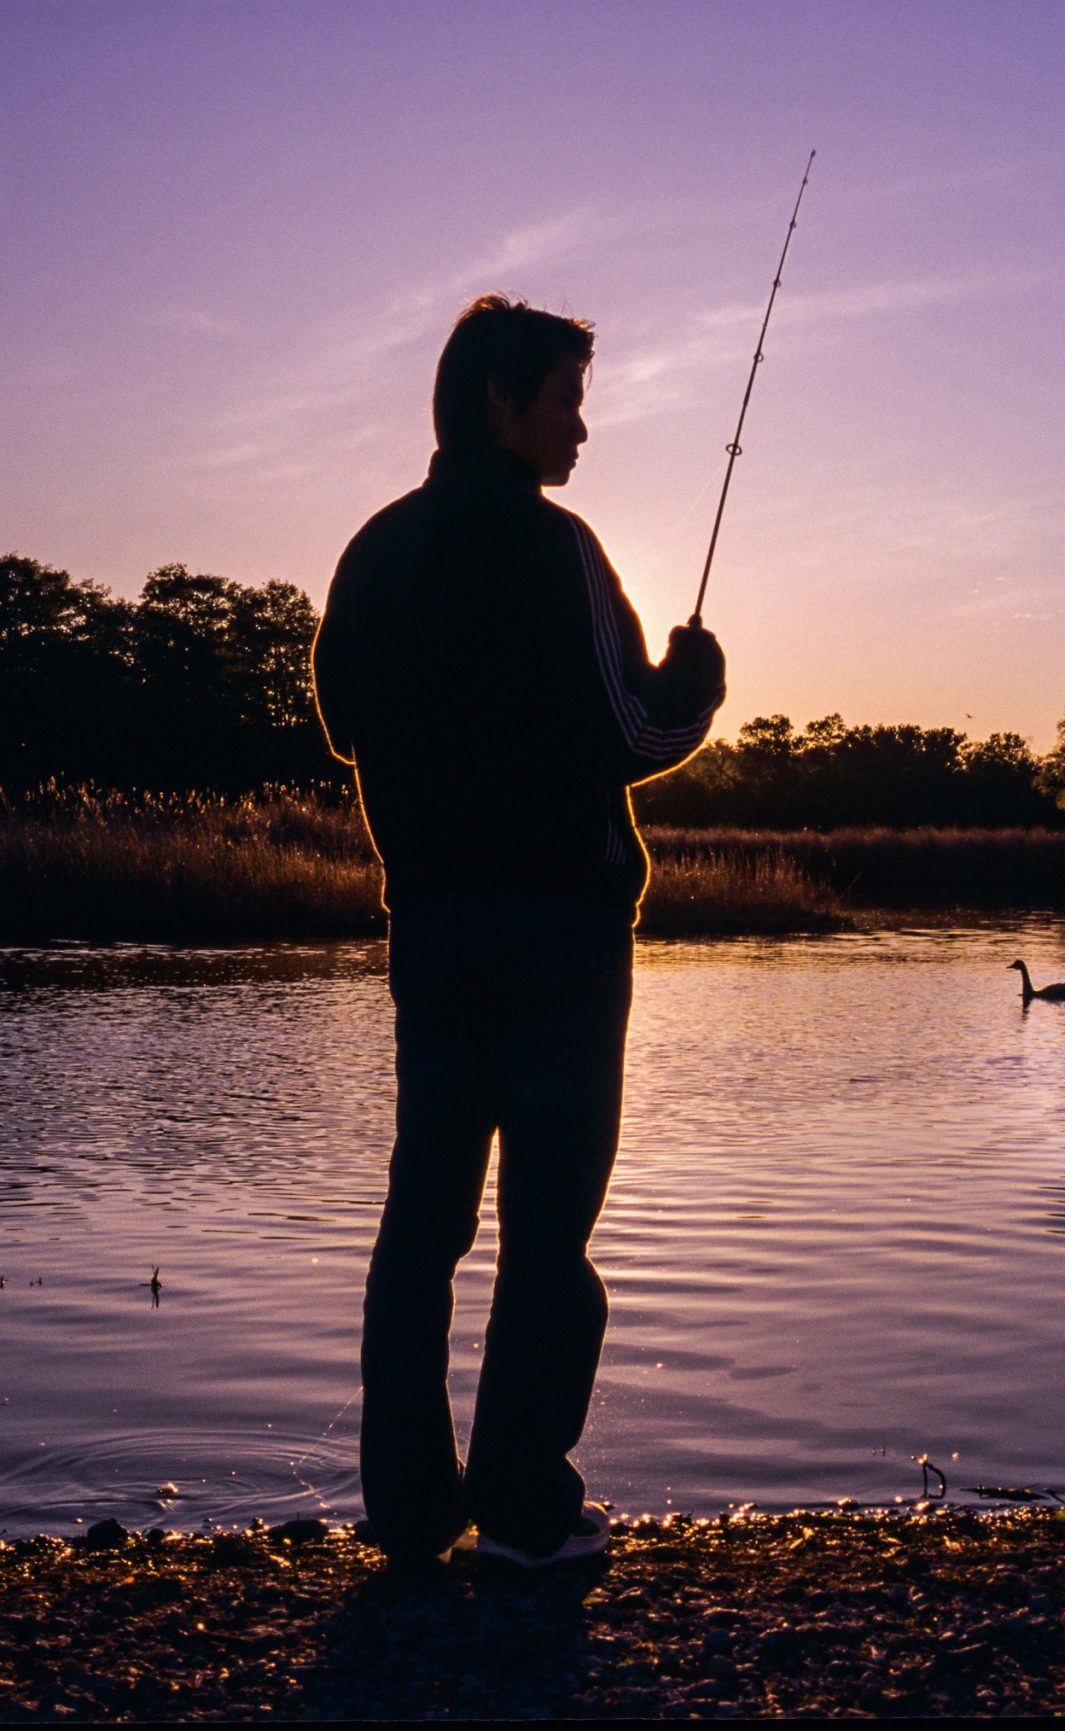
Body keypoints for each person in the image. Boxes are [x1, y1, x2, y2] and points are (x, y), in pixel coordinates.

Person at [310, 294, 727, 1568]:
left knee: (422, 1219)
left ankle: (409, 1511)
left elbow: (341, 717)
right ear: (500, 399)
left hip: (431, 927)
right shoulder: (560, 552)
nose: (581, 428)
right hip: (559, 935)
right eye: (564, 399)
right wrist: (698, 678)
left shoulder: (373, 551)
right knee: (548, 1227)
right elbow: (638, 730)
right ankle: (527, 1512)